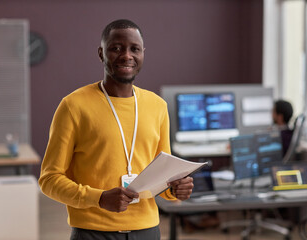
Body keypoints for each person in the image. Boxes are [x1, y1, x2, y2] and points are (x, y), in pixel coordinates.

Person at [38, 19, 194, 240]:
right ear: (101, 53)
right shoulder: (73, 106)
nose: (126, 55)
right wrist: (99, 198)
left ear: (143, 54)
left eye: (134, 49)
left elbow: (164, 175)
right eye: (116, 48)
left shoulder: (157, 106)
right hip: (93, 233)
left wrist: (176, 188)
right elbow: (49, 179)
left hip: (147, 231)